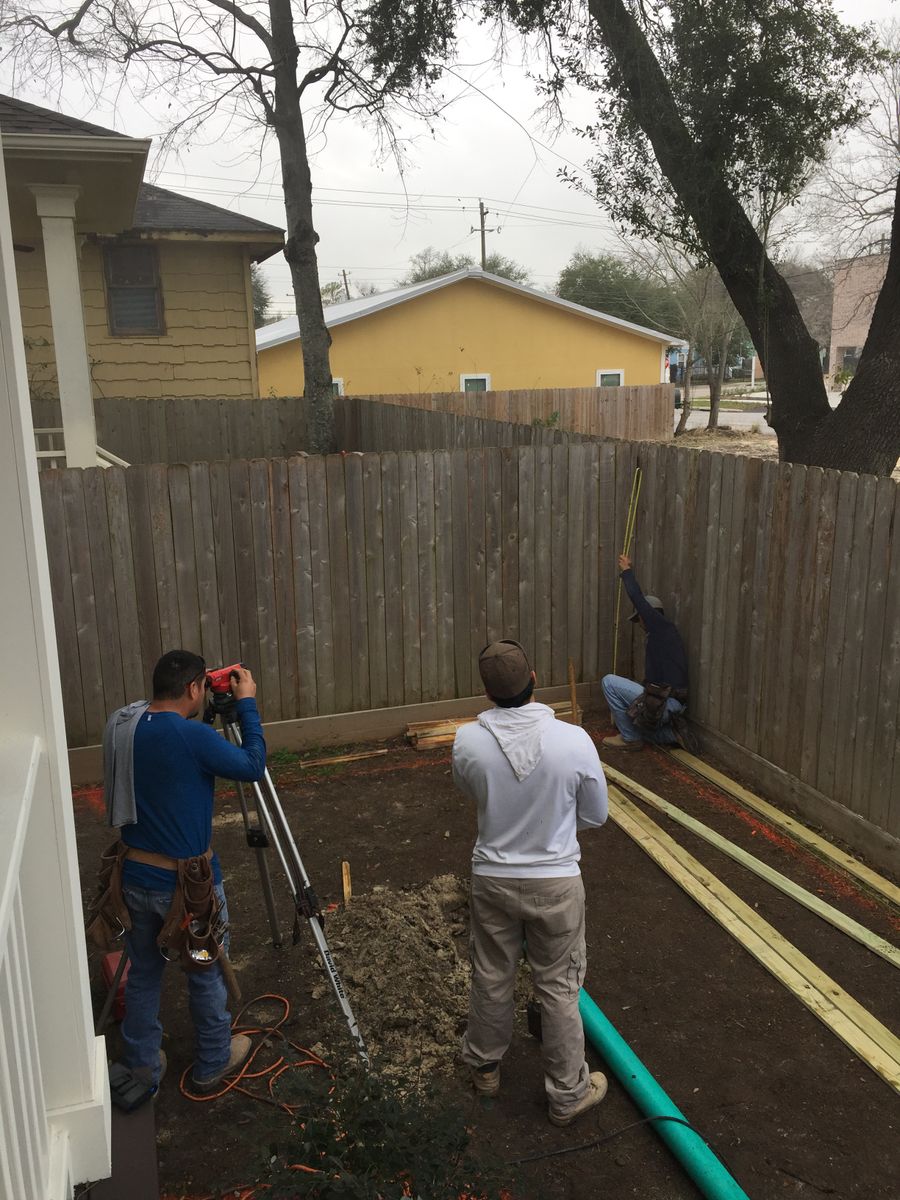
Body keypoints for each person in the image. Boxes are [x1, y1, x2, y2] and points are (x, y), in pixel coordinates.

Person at [452, 640, 609, 1127]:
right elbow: (596, 814)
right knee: (560, 987)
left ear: (486, 691)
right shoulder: (574, 740)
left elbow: (471, 793)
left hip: (493, 880)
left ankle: (484, 1069)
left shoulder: (467, 740)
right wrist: (554, 824)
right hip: (556, 882)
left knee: (493, 973)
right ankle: (567, 1093)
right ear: (535, 678)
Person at [102, 650, 266, 1095]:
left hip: (133, 878)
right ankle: (213, 1059)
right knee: (204, 967)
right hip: (189, 889)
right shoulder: (194, 738)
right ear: (196, 689)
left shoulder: (124, 725)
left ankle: (142, 1067)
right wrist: (246, 702)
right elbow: (252, 765)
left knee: (143, 973)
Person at [601, 554, 689, 751]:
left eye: (639, 617)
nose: (639, 622)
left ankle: (630, 738)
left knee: (608, 681)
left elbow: (638, 599)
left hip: (666, 704)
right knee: (634, 720)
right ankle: (671, 734)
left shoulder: (661, 627)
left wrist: (626, 572)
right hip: (673, 705)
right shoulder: (662, 636)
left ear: (646, 615)